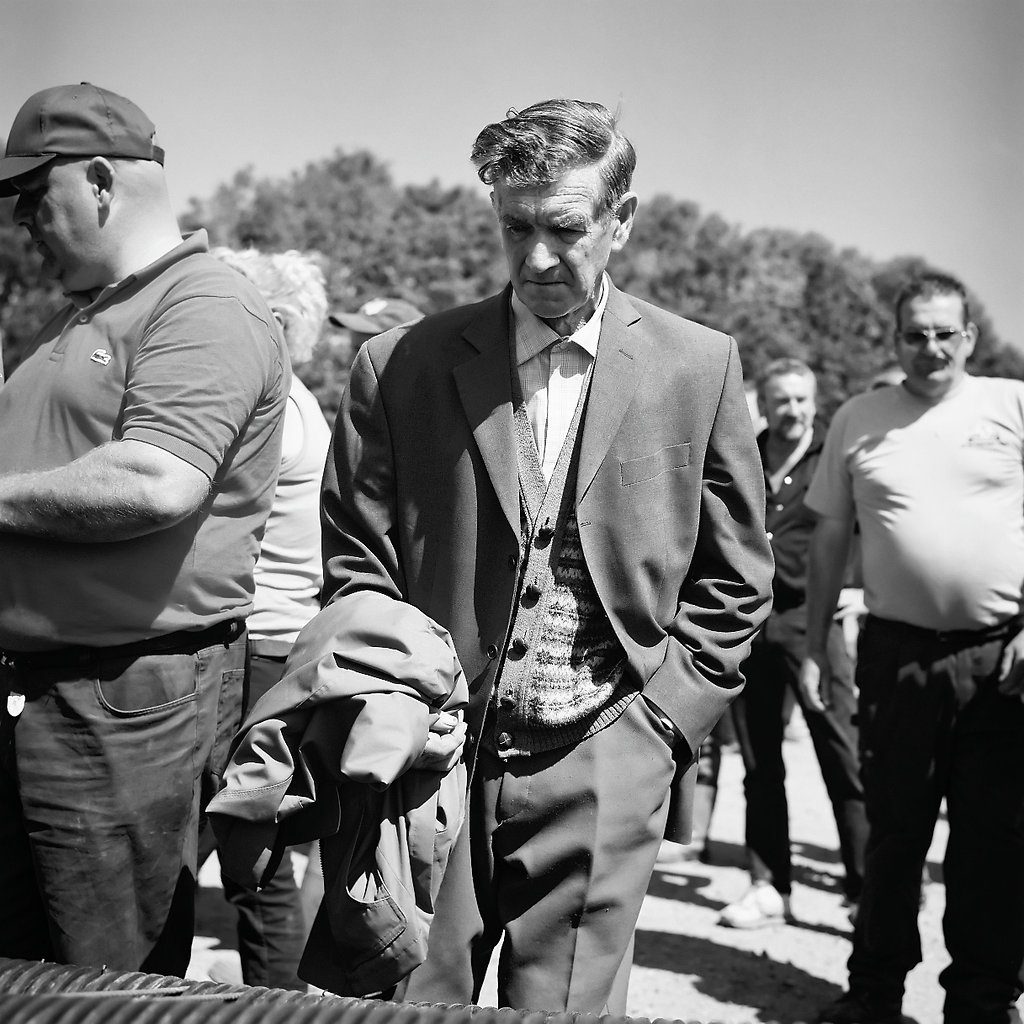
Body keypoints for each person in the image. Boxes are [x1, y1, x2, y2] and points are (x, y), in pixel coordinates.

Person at [319, 97, 774, 1013]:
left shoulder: (700, 367)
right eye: (514, 227)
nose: (535, 258)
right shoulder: (399, 365)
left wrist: (660, 728)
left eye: (564, 229)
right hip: (429, 762)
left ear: (621, 219)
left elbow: (736, 576)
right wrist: (399, 702)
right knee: (409, 1003)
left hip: (607, 758)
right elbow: (358, 562)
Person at [0, 83, 289, 976]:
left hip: (118, 696)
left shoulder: (204, 302)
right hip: (48, 689)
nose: (21, 224)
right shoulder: (79, 311)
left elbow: (157, 480)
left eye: (31, 197)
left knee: (100, 980)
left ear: (97, 180)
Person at [801, 272, 1024, 1024]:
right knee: (894, 833)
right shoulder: (858, 418)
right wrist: (814, 640)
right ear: (895, 341)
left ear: (970, 337)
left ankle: (983, 1001)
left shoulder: (1012, 405)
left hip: (1001, 662)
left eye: (945, 333)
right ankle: (874, 993)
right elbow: (830, 539)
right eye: (915, 334)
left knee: (992, 839)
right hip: (895, 657)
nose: (931, 347)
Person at [202, 247, 332, 989]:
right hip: (274, 645)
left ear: (272, 319)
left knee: (248, 854)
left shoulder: (272, 406)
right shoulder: (298, 401)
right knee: (259, 853)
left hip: (253, 647)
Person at [718, 358, 868, 928]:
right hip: (752, 623)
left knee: (842, 756)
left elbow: (873, 524)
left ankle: (866, 890)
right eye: (781, 400)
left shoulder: (836, 455)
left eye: (801, 399)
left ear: (815, 400)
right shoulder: (744, 452)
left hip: (816, 623)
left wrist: (863, 589)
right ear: (764, 402)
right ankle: (768, 886)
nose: (792, 410)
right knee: (759, 762)